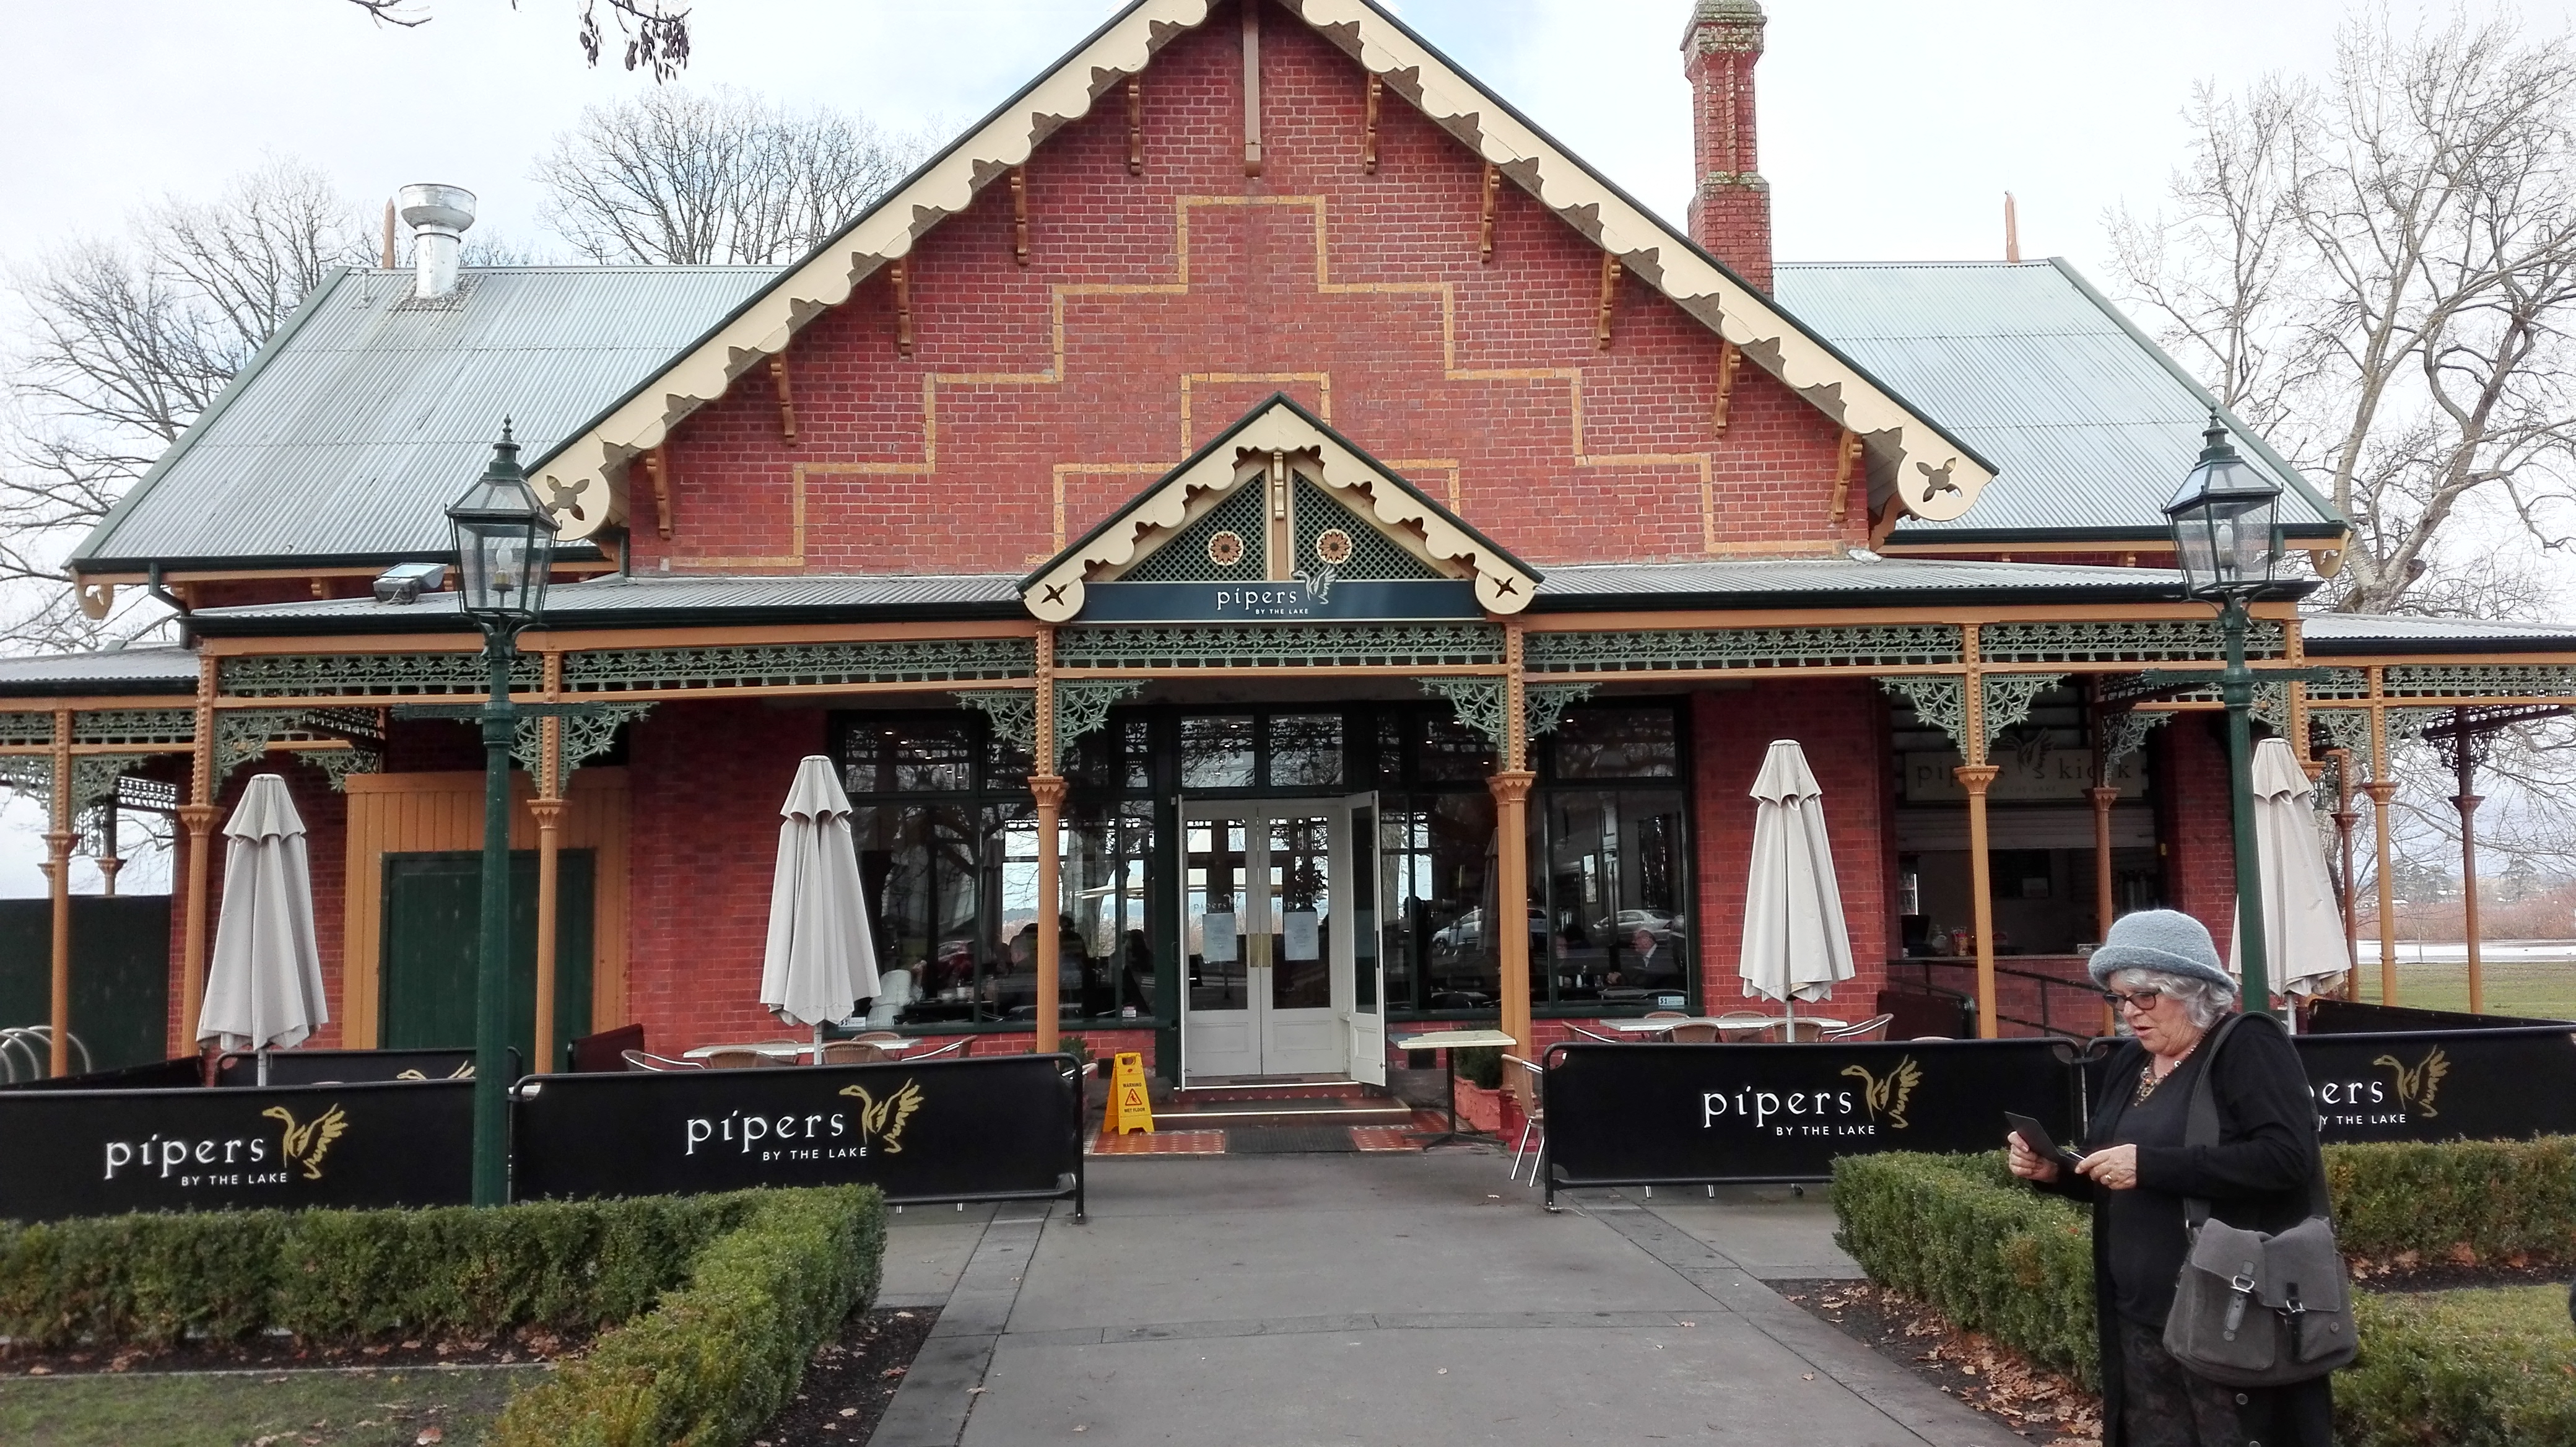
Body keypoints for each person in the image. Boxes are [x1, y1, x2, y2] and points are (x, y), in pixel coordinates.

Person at [2006, 909, 2333, 1447]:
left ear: (2192, 989)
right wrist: (2056, 1171)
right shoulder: (2131, 1061)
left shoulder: (2247, 1045)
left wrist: (2151, 1165)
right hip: (2141, 1314)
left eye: (2145, 996)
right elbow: (2115, 1170)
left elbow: (2286, 1159)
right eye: (2119, 998)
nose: (2129, 1012)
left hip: (2228, 1308)